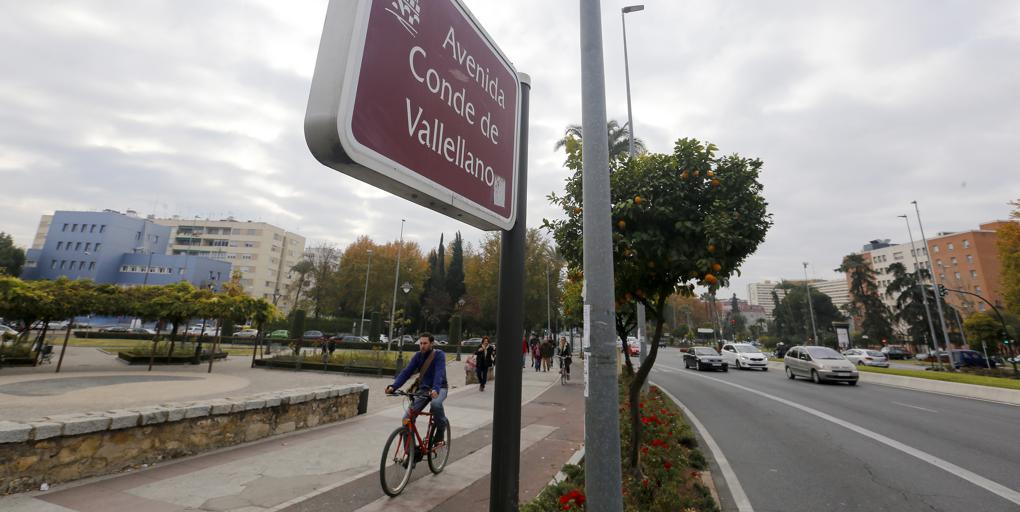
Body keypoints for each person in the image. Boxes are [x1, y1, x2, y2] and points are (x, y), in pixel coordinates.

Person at [385, 333, 448, 448]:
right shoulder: (418, 356)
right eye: (421, 343)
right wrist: (394, 387)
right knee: (406, 419)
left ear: (431, 344)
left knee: (436, 404)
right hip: (424, 390)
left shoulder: (439, 355)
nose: (422, 346)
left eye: (425, 343)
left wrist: (436, 388)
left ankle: (441, 429)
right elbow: (406, 372)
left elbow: (439, 373)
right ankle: (410, 453)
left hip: (440, 388)